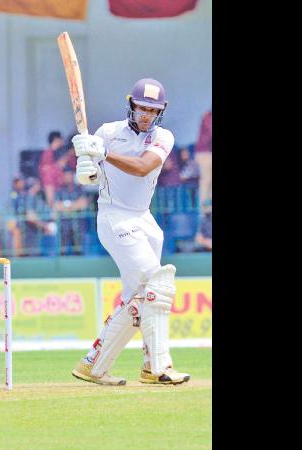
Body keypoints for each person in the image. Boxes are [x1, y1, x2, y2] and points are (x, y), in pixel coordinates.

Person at [69, 78, 190, 386]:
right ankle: (158, 367)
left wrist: (103, 154)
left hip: (144, 219)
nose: (146, 115)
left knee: (139, 298)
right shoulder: (107, 133)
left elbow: (142, 167)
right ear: (131, 105)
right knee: (157, 285)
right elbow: (88, 178)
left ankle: (93, 366)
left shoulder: (163, 137)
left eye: (153, 110)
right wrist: (86, 161)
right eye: (142, 108)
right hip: (114, 217)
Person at [194, 110, 212, 213]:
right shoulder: (208, 117)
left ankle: (208, 210)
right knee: (206, 182)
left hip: (207, 153)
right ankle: (204, 212)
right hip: (204, 153)